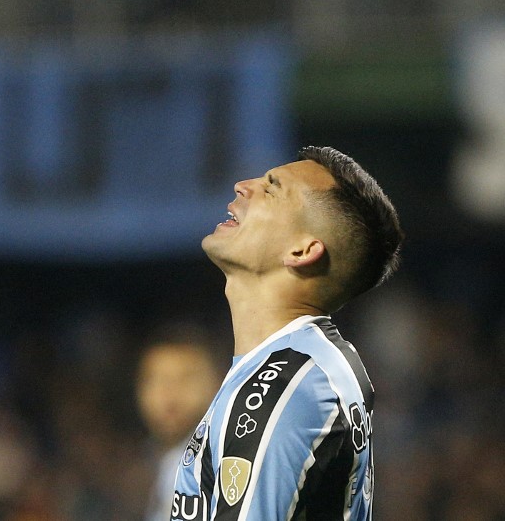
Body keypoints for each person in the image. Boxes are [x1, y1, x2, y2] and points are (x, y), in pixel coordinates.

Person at [169, 146, 403, 520]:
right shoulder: (311, 364)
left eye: (271, 188)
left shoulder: (280, 389)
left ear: (302, 250)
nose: (243, 186)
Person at [137, 327, 225, 521]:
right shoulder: (145, 462)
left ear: (217, 382)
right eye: (159, 379)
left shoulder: (219, 463)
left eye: (186, 379)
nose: (169, 394)